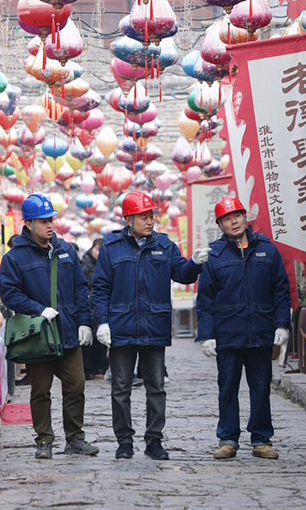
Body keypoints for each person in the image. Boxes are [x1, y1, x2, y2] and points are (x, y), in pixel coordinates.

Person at [92, 190, 211, 460]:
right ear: (128, 219)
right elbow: (99, 289)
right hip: (121, 328)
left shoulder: (165, 245)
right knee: (120, 388)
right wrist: (102, 322)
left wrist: (194, 264)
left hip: (154, 326)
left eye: (151, 215)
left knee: (155, 387)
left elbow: (181, 273)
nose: (149, 221)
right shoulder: (111, 248)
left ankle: (154, 440)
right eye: (143, 216)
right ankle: (124, 441)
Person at [0, 194, 98, 460]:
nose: (50, 225)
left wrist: (85, 323)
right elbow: (9, 293)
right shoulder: (15, 258)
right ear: (29, 224)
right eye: (43, 221)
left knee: (76, 386)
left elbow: (80, 288)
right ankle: (44, 440)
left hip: (67, 331)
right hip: (39, 335)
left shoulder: (66, 250)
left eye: (51, 219)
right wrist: (38, 309)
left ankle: (75, 438)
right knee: (40, 391)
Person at [195, 196, 291, 461]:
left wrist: (283, 324)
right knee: (228, 388)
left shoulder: (267, 250)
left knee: (260, 387)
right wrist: (207, 335)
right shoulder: (214, 255)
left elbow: (281, 290)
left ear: (244, 217)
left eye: (236, 215)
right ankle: (228, 439)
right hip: (228, 334)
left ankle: (261, 439)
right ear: (220, 224)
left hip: (261, 331)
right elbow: (205, 300)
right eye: (227, 218)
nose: (233, 221)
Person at [81, 239, 108, 380]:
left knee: (100, 339)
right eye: (97, 249)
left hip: (99, 304)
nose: (98, 253)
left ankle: (100, 368)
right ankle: (88, 369)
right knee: (87, 339)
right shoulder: (84, 262)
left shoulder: (106, 262)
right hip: (87, 304)